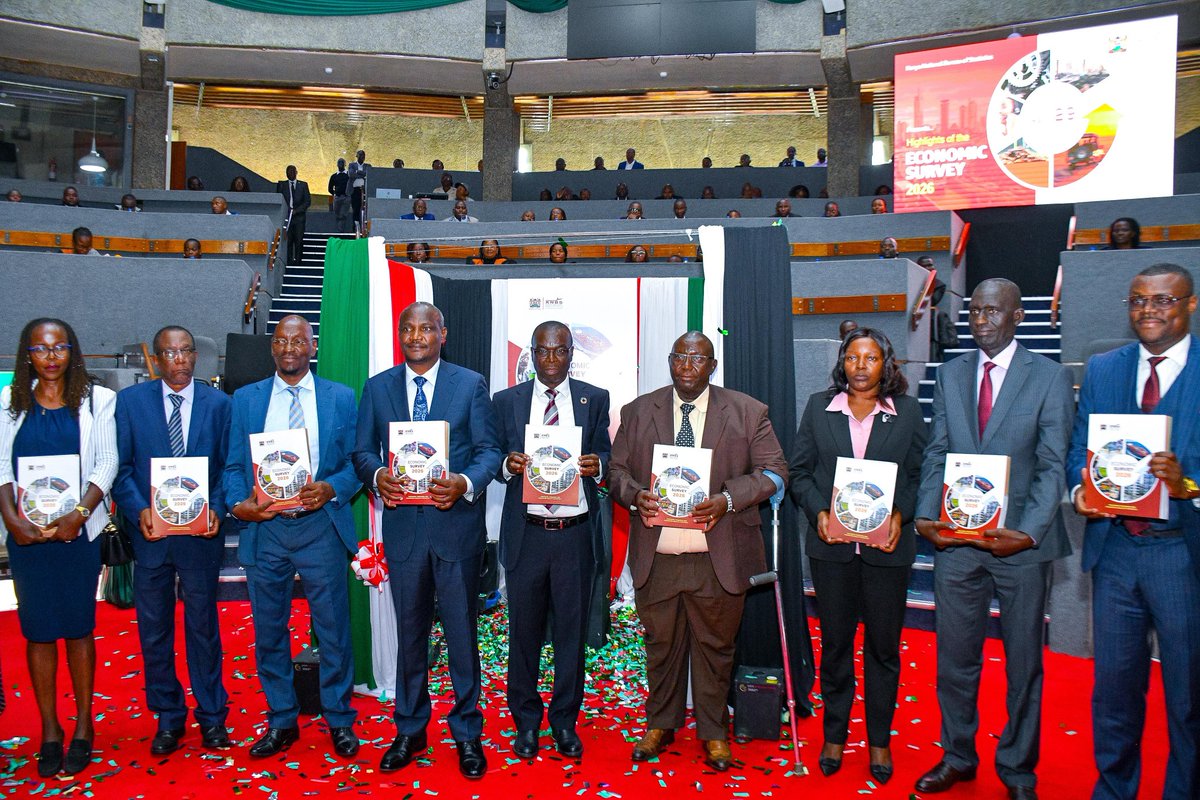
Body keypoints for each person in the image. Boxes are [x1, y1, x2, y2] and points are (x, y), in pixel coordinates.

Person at [913, 279, 1074, 800]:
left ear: (1017, 316)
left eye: (992, 311)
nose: (981, 320)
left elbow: (1052, 466)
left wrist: (1026, 533)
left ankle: (1018, 771)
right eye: (975, 310)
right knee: (955, 659)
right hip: (957, 542)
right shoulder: (952, 372)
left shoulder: (1048, 378)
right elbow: (938, 450)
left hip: (1020, 547)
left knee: (1024, 664)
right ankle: (958, 755)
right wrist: (923, 514)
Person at [609, 331, 786, 772]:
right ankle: (660, 723)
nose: (688, 365)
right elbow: (615, 471)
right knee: (661, 646)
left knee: (715, 646)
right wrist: (634, 496)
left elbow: (776, 472)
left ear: (712, 365)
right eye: (680, 357)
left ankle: (712, 731)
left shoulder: (748, 412)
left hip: (718, 555)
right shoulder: (636, 411)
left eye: (698, 358)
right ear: (670, 362)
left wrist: (728, 499)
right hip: (659, 553)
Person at [352, 302, 502, 780]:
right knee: (410, 637)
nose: (415, 335)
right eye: (407, 328)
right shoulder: (377, 388)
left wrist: (465, 483)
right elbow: (359, 451)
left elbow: (489, 452)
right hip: (403, 532)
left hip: (456, 530)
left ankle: (466, 733)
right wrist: (377, 475)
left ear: (443, 333)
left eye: (425, 328)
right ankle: (411, 729)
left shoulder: (470, 384)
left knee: (461, 638)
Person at [1067, 263, 1200, 800]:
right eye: (1138, 300)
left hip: (1181, 556)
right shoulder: (1104, 369)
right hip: (1116, 550)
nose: (1149, 310)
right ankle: (1114, 790)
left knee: (1188, 697)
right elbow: (1081, 446)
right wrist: (1082, 493)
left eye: (1163, 301)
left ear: (1189, 306)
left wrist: (1189, 484)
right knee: (1114, 692)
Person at [789, 328, 926, 785]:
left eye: (870, 358)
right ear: (842, 363)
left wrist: (900, 517)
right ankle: (834, 734)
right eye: (853, 357)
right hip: (833, 552)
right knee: (836, 646)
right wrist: (819, 512)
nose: (861, 366)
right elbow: (800, 472)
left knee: (884, 649)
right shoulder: (818, 407)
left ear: (885, 363)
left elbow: (919, 473)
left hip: (888, 550)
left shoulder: (906, 413)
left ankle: (880, 741)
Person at [224, 315, 362, 760]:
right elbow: (230, 467)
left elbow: (355, 464)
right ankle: (282, 719)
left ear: (312, 345)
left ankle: (339, 719)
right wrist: (235, 504)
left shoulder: (340, 398)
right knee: (269, 631)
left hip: (319, 526)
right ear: (272, 347)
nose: (289, 348)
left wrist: (333, 488)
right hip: (266, 530)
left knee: (333, 631)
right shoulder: (245, 400)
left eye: (297, 340)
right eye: (281, 340)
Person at [0, 318, 117, 778]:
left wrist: (80, 514)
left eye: (59, 347)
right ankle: (50, 728)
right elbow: (1, 468)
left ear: (73, 351)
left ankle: (84, 726)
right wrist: (13, 521)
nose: (51, 357)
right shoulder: (10, 405)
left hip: (78, 534)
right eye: (40, 349)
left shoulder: (97, 400)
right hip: (27, 538)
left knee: (78, 627)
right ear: (27, 354)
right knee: (38, 630)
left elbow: (107, 461)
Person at [494, 321, 611, 761]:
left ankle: (564, 721)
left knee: (570, 636)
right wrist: (509, 464)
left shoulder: (593, 399)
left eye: (559, 351)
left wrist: (596, 464)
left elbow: (609, 456)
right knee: (522, 636)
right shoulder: (507, 402)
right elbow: (492, 455)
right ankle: (525, 723)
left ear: (570, 353)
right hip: (526, 534)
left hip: (574, 537)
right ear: (531, 353)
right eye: (541, 351)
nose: (550, 360)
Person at [112, 326, 232, 756]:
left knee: (203, 628)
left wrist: (217, 506)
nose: (179, 360)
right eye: (169, 353)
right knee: (154, 630)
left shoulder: (220, 404)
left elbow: (226, 466)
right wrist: (138, 508)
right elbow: (121, 468)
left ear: (196, 356)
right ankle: (168, 715)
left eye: (186, 352)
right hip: (151, 536)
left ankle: (213, 718)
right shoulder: (129, 403)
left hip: (201, 537)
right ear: (156, 360)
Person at [277, 165, 310, 266]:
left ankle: (298, 261)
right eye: (288, 171)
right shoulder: (281, 185)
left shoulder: (303, 185)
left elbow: (307, 201)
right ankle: (289, 261)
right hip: (286, 217)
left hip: (299, 217)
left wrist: (297, 210)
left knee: (299, 239)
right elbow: (278, 199)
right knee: (289, 240)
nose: (290, 173)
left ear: (296, 172)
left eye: (292, 171)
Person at [348, 150, 369, 235]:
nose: (362, 157)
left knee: (365, 209)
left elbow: (368, 174)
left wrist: (357, 172)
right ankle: (355, 228)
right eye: (360, 155)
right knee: (356, 210)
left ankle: (364, 228)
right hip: (355, 191)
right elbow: (351, 174)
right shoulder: (352, 165)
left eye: (363, 155)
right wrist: (362, 174)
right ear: (357, 156)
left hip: (365, 191)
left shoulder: (368, 166)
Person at [328, 158, 352, 234]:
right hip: (337, 197)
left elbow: (352, 185)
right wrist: (335, 194)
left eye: (342, 162)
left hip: (346, 197)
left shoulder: (348, 175)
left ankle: (341, 231)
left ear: (345, 164)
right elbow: (330, 188)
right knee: (337, 213)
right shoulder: (334, 176)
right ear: (337, 165)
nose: (340, 164)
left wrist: (349, 194)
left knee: (344, 214)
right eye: (339, 162)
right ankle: (337, 230)